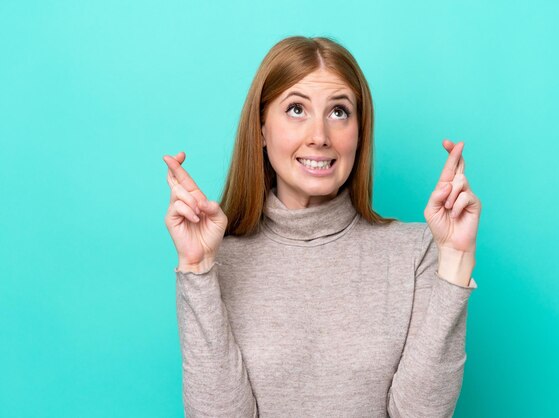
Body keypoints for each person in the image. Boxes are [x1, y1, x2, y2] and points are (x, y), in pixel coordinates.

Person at [163, 35, 481, 417]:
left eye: (339, 112)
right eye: (296, 109)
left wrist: (456, 260)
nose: (319, 136)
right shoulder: (219, 259)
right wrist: (197, 269)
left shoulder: (415, 252)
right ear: (261, 129)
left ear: (359, 132)